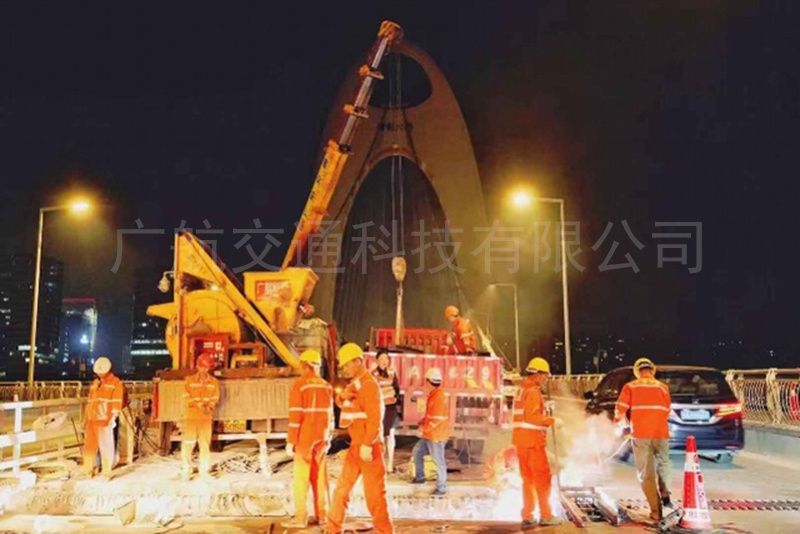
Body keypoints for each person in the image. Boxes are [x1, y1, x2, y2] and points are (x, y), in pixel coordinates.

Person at [327, 343, 393, 534]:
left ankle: (385, 532)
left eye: (347, 364)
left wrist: (367, 444)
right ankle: (332, 529)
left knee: (374, 496)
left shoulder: (369, 385)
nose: (345, 369)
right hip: (357, 445)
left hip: (369, 447)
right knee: (342, 490)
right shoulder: (357, 383)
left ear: (358, 361)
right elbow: (345, 402)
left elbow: (375, 418)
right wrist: (341, 398)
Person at [614, 358, 672, 522]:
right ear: (652, 370)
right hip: (661, 433)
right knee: (664, 464)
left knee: (646, 473)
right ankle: (665, 493)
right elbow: (667, 410)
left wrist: (622, 426)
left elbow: (620, 410)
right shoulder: (663, 387)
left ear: (637, 371)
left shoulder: (631, 386)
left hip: (641, 433)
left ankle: (656, 512)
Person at [283, 349, 333, 529]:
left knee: (301, 478)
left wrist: (291, 441)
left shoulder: (300, 385)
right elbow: (331, 415)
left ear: (304, 365)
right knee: (320, 478)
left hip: (305, 438)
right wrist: (329, 436)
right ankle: (323, 516)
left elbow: (296, 415)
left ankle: (300, 517)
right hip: (322, 437)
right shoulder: (326, 386)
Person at [512, 357, 562, 527]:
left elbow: (527, 412)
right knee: (542, 479)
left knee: (528, 480)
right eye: (545, 375)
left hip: (521, 442)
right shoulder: (533, 391)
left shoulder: (522, 389)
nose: (546, 379)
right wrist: (552, 420)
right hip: (533, 443)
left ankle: (527, 515)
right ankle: (546, 516)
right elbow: (532, 417)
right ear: (538, 374)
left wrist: (545, 407)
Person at [82, 356, 124, 479]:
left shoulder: (115, 383)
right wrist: (86, 418)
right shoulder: (95, 383)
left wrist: (113, 417)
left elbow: (117, 401)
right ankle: (87, 470)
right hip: (92, 419)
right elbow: (90, 401)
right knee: (89, 447)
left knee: (106, 447)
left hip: (105, 419)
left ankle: (106, 472)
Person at [181, 353, 220, 481]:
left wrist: (209, 407)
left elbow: (215, 397)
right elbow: (186, 396)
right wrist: (198, 405)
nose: (204, 370)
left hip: (205, 418)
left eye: (206, 367)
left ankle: (204, 471)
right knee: (188, 443)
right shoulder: (189, 380)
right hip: (192, 417)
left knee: (204, 445)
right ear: (197, 366)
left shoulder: (214, 382)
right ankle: (186, 471)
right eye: (202, 367)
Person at [410, 368, 449, 496]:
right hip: (431, 434)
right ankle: (420, 477)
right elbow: (433, 415)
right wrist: (423, 421)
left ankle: (441, 488)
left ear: (428, 381)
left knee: (438, 461)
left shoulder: (438, 396)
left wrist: (423, 429)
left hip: (436, 436)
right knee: (417, 452)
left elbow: (437, 419)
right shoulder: (434, 394)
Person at [372, 349, 400, 473]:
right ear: (377, 360)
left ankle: (389, 465)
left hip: (391, 408)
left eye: (386, 359)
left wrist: (394, 396)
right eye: (381, 359)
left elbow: (397, 389)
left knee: (390, 434)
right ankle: (380, 463)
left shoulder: (392, 373)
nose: (384, 361)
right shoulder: (373, 375)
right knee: (380, 436)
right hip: (379, 408)